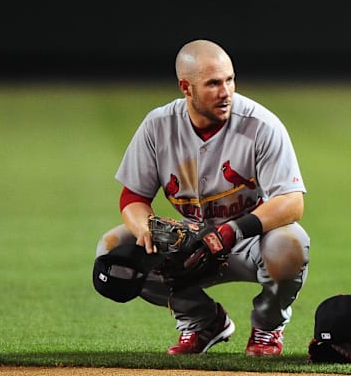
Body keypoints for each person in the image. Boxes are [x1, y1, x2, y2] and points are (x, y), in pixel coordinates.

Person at [95, 39, 310, 357]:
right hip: (189, 239)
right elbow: (133, 197)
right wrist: (144, 229)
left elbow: (292, 202)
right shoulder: (159, 126)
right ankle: (203, 322)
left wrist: (231, 231)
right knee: (115, 248)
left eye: (229, 80)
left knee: (290, 243)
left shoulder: (261, 126)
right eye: (213, 83)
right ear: (186, 87)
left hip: (251, 238)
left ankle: (267, 327)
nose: (226, 92)